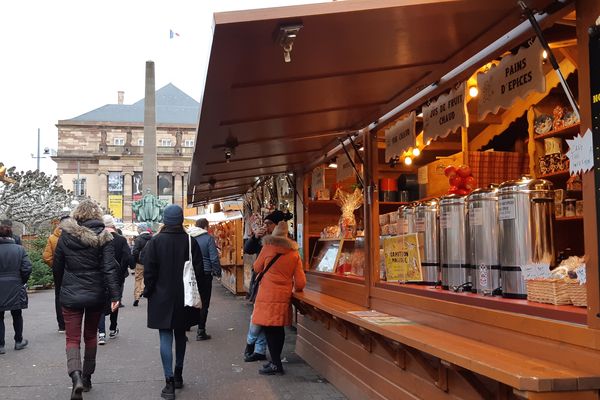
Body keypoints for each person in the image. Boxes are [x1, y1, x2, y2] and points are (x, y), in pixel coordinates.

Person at [53, 200, 121, 399]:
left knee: (72, 338)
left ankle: (76, 377)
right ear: (97, 216)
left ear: (77, 215)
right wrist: (115, 295)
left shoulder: (65, 236)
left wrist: (61, 289)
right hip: (95, 293)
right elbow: (110, 268)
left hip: (70, 293)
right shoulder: (104, 237)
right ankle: (88, 378)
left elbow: (58, 266)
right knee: (91, 336)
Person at [143, 204, 203, 400]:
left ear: (164, 220)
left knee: (165, 337)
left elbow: (149, 272)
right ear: (181, 219)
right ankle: (178, 374)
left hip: (161, 297)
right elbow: (199, 272)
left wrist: (149, 291)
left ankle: (168, 383)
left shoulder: (155, 242)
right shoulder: (190, 242)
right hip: (184, 297)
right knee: (181, 335)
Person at [252, 220, 305, 375]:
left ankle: (275, 364)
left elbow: (256, 267)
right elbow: (301, 282)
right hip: (283, 296)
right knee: (279, 328)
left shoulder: (268, 248)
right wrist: (296, 289)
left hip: (267, 295)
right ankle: (276, 362)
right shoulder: (294, 253)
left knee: (269, 329)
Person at [243, 210, 292, 362]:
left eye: (269, 223)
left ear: (278, 225)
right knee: (263, 319)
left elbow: (257, 267)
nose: (266, 226)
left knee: (260, 319)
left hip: (269, 288)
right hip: (264, 284)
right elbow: (248, 250)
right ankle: (259, 350)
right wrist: (255, 236)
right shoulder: (264, 240)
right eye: (265, 223)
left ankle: (252, 344)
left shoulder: (284, 244)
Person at [97, 215, 133, 345]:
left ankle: (101, 333)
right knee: (115, 301)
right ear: (113, 225)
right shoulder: (121, 240)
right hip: (117, 276)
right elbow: (128, 257)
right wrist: (122, 270)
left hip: (101, 275)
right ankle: (113, 328)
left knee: (100, 303)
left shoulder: (98, 238)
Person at [0, 220, 32, 354]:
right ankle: (18, 341)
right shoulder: (20, 249)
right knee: (17, 314)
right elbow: (27, 268)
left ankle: (0, 345)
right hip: (15, 284)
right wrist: (21, 281)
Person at [189, 218, 222, 341]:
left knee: (190, 298)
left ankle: (187, 324)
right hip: (205, 273)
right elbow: (213, 258)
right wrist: (218, 271)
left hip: (190, 273)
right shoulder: (208, 238)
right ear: (205, 227)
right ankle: (201, 330)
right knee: (204, 302)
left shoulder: (188, 237)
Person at [43, 215, 70, 333]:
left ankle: (61, 324)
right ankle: (72, 322)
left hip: (58, 271)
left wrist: (54, 266)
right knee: (72, 293)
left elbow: (46, 257)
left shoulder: (52, 238)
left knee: (58, 295)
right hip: (71, 270)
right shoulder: (72, 237)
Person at [131, 223, 152, 306]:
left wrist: (136, 260)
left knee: (138, 279)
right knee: (147, 278)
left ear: (141, 229)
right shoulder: (152, 238)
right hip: (150, 263)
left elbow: (135, 251)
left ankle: (137, 296)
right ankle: (143, 290)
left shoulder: (138, 239)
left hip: (140, 263)